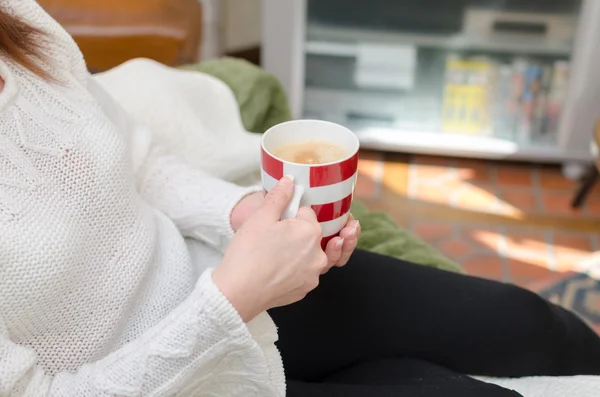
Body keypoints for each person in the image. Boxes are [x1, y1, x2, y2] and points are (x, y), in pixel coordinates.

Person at [0, 2, 599, 396]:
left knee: (528, 323)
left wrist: (243, 216)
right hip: (176, 371)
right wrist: (232, 300)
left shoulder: (19, 23)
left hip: (215, 277)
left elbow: (139, 161)